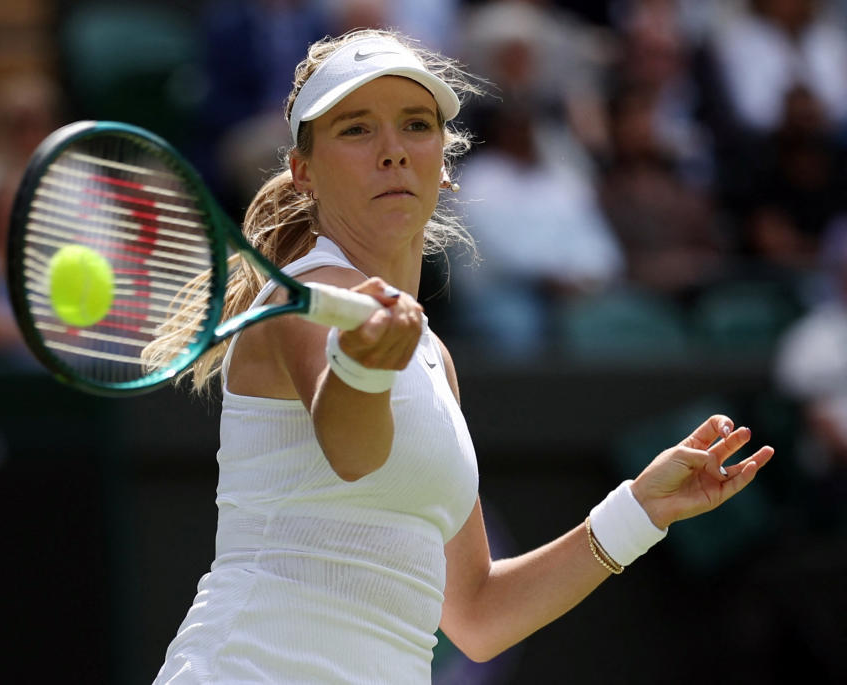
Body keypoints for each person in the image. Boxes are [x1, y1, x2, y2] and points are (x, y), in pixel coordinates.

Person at [147, 29, 774, 684]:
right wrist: (363, 369)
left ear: (444, 160)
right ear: (304, 169)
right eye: (356, 130)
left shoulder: (432, 358)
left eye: (415, 125)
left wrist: (641, 509)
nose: (392, 151)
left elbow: (477, 614)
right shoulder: (305, 296)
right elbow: (354, 452)